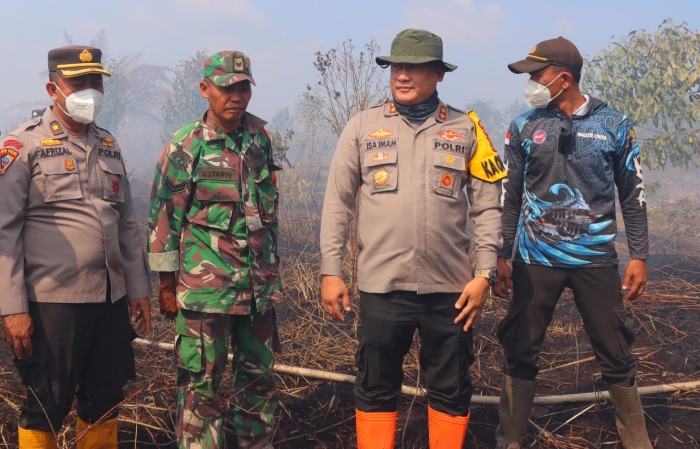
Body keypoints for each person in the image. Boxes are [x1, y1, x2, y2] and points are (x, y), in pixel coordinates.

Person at [320, 29, 506, 449]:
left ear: (439, 74)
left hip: (452, 291)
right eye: (396, 67)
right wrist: (331, 271)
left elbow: (487, 206)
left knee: (452, 386)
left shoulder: (466, 128)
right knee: (375, 384)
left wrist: (485, 273)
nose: (402, 76)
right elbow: (337, 204)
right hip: (381, 287)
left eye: (415, 68)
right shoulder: (363, 126)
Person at [494, 37, 652, 449]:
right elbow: (508, 197)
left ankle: (636, 440)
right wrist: (500, 253)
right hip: (534, 259)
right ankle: (509, 438)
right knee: (520, 346)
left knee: (616, 350)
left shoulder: (615, 125)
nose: (531, 81)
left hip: (595, 261)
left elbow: (632, 193)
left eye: (537, 74)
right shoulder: (525, 126)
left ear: (563, 79)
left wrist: (639, 254)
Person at [0, 46, 152, 449]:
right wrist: (13, 307)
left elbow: (127, 225)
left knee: (104, 399)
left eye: (96, 82)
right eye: (78, 83)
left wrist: (138, 290)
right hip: (53, 302)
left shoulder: (108, 145)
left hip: (109, 299)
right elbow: (4, 231)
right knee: (46, 402)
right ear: (54, 88)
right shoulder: (22, 146)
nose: (90, 91)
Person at [147, 51, 282, 449]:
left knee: (259, 384)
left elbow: (266, 213)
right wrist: (167, 287)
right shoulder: (185, 146)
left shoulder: (260, 139)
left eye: (243, 87)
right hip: (206, 294)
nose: (236, 96)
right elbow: (164, 220)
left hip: (257, 292)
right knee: (200, 391)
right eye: (226, 88)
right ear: (206, 90)